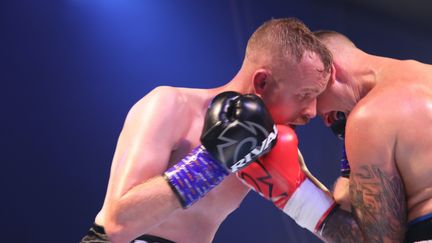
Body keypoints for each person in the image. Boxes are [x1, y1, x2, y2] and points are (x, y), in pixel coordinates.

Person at [80, 18, 332, 243]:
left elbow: (332, 227)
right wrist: (213, 161)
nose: (310, 111)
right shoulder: (171, 105)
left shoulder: (273, 143)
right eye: (304, 95)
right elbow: (117, 225)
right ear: (261, 82)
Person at [238, 29, 432, 242]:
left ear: (330, 72)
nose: (314, 113)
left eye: (310, 94)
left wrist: (298, 196)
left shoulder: (369, 117)